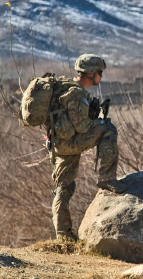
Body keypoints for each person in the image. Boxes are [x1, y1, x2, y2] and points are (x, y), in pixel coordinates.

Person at [49, 54, 122, 242]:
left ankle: (63, 235)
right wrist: (98, 120)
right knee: (109, 130)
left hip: (59, 144)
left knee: (63, 187)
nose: (101, 76)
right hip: (70, 143)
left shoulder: (66, 87)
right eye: (99, 72)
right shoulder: (76, 93)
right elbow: (82, 127)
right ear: (90, 73)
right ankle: (107, 178)